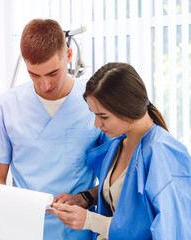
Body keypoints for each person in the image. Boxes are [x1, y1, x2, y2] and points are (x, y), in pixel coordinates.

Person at [0, 19, 108, 239]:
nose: (44, 85)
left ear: (68, 56)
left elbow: (113, 181)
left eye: (52, 73)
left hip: (77, 231)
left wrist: (83, 198)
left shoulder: (97, 102)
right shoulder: (6, 105)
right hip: (21, 229)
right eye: (34, 75)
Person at [47, 62, 191, 239]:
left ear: (127, 108)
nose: (96, 124)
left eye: (103, 116)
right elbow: (124, 195)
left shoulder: (163, 152)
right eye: (94, 114)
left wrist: (90, 220)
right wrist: (85, 198)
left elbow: (168, 229)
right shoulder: (118, 145)